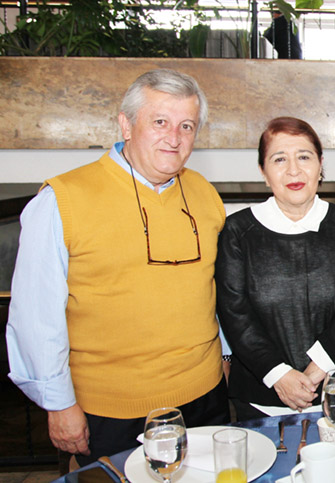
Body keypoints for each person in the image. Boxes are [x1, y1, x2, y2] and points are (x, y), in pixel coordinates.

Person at [6, 69, 229, 465]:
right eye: (159, 121)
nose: (173, 137)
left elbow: (216, 287)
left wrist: (225, 359)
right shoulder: (62, 200)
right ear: (126, 124)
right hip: (111, 412)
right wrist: (58, 404)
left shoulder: (204, 193)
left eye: (187, 126)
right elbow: (35, 317)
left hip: (204, 397)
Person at [215, 117, 335, 420]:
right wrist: (279, 374)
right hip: (262, 398)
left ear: (320, 165)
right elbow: (234, 313)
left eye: (304, 156)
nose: (294, 170)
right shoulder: (237, 231)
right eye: (279, 159)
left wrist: (317, 369)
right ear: (264, 172)